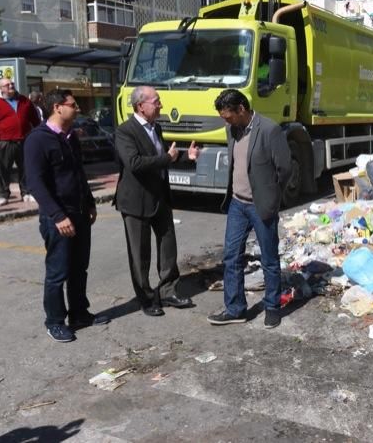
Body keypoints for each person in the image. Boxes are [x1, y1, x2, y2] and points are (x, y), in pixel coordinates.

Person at [24, 89, 107, 342]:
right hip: (57, 218)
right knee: (57, 272)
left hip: (80, 212)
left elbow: (79, 175)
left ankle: (80, 313)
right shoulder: (37, 140)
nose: (78, 108)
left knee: (79, 269)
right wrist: (58, 216)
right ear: (58, 107)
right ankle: (55, 321)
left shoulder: (70, 137)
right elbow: (35, 183)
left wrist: (90, 203)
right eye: (73, 104)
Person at [207, 89, 291, 329]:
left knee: (269, 258)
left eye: (228, 116)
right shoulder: (231, 129)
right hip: (237, 204)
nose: (226, 121)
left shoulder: (269, 129)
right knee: (231, 256)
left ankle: (272, 307)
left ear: (241, 109)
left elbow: (284, 169)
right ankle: (236, 309)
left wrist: (272, 197)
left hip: (260, 205)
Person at [113, 86, 198, 317]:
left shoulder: (156, 127)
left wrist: (186, 159)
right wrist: (166, 158)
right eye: (156, 101)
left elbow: (163, 159)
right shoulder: (125, 131)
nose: (161, 104)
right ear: (141, 106)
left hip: (160, 198)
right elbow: (135, 163)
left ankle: (169, 290)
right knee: (140, 254)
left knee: (168, 245)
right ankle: (147, 298)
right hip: (136, 201)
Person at [0, 78, 40, 206]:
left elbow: (35, 119)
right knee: (3, 170)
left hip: (25, 140)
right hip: (5, 142)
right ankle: (3, 195)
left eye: (12, 84)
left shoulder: (24, 100)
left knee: (26, 168)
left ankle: (26, 192)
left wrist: (38, 135)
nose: (11, 86)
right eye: (7, 84)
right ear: (1, 88)